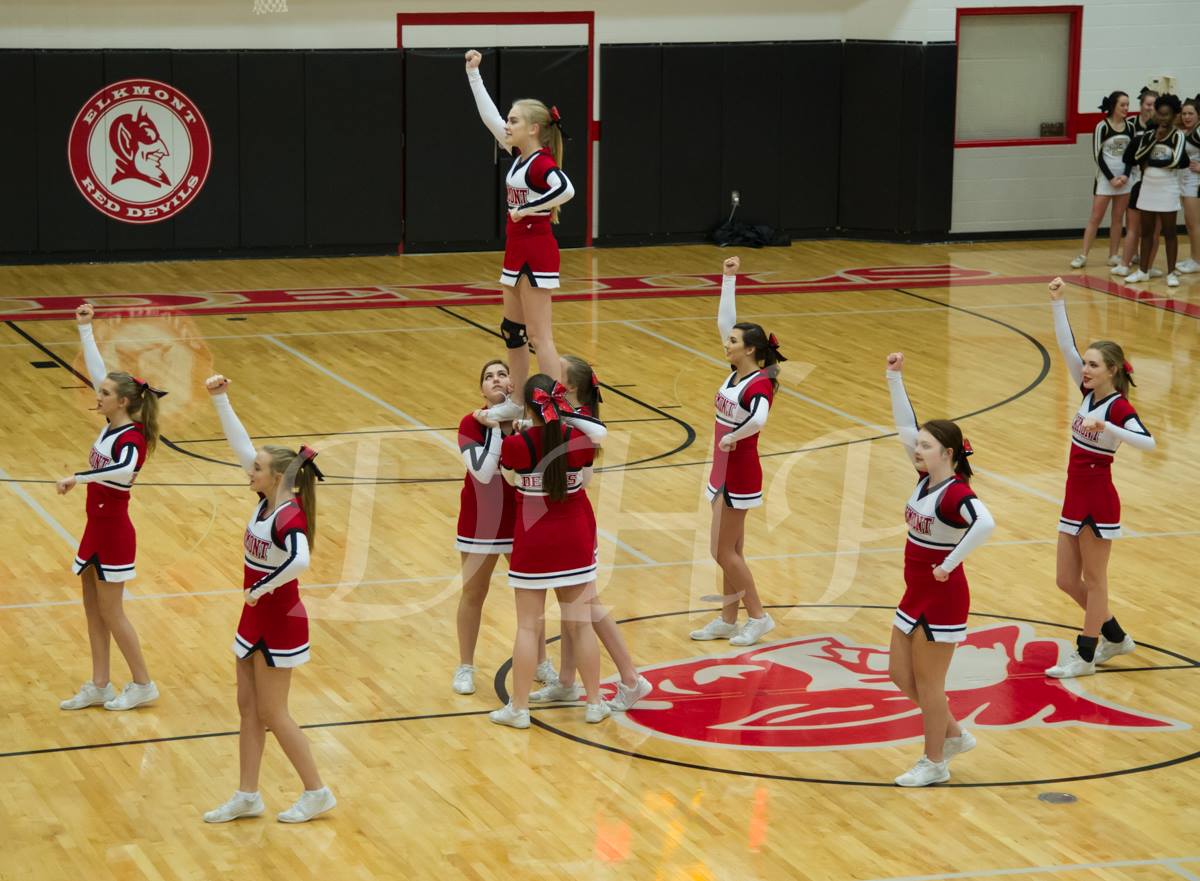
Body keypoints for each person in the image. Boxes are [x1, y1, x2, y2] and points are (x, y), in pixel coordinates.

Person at [201, 374, 335, 824]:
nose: (248, 470)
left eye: (256, 468)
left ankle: (317, 791)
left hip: (280, 619)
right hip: (254, 616)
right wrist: (221, 400)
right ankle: (247, 794)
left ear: (276, 477)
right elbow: (241, 445)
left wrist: (260, 588)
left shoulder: (288, 515)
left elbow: (300, 561)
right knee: (247, 708)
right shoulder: (265, 498)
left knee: (274, 712)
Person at [885, 352, 995, 787]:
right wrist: (894, 378)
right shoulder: (925, 479)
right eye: (917, 445)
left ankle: (935, 762)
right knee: (898, 674)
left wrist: (950, 563)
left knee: (931, 686)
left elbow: (986, 523)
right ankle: (951, 733)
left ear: (947, 453)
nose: (916, 448)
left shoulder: (954, 493)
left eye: (926, 446)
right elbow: (904, 428)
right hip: (915, 592)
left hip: (943, 597)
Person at [1045, 278, 1155, 679]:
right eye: (1086, 364)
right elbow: (1066, 348)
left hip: (1099, 500)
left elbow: (1149, 442)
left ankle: (1086, 654)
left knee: (1094, 580)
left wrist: (1109, 426)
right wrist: (1058, 302)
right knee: (1064, 579)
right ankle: (1115, 636)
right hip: (1074, 496)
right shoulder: (1089, 392)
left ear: (1111, 371)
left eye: (1093, 365)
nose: (1085, 369)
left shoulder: (1118, 407)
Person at [530, 356, 652, 711]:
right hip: (561, 519)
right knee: (572, 608)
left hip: (575, 518)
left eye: (557, 375)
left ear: (567, 387)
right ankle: (567, 681)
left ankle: (632, 678)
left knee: (588, 606)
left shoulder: (582, 420)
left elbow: (599, 433)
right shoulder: (564, 416)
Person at [57, 303, 162, 712]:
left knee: (113, 613)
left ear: (121, 403)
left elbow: (122, 471)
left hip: (116, 532)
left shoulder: (132, 439)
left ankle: (142, 683)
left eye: (103, 394)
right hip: (94, 528)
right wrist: (86, 328)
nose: (96, 395)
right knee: (92, 610)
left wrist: (77, 477)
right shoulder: (111, 425)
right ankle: (100, 683)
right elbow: (101, 371)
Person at [464, 49, 576, 421]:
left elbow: (566, 189)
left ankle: (554, 406)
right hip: (517, 249)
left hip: (537, 250)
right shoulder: (519, 154)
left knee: (540, 336)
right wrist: (473, 74)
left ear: (533, 128)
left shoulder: (542, 162)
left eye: (514, 121)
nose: (507, 125)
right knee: (512, 329)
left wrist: (527, 209)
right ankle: (517, 401)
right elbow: (489, 118)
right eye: (508, 120)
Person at [490, 376, 608, 729]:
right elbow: (584, 481)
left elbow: (511, 482)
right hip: (574, 537)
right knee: (581, 624)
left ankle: (519, 709)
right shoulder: (579, 440)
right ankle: (595, 702)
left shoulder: (516, 444)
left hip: (533, 539)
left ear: (528, 407)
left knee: (528, 627)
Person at [688, 257, 782, 647]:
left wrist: (733, 436)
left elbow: (759, 420)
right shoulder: (735, 372)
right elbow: (724, 321)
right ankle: (729, 617)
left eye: (733, 342)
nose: (726, 343)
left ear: (750, 350)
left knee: (721, 550)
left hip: (739, 472)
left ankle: (758, 617)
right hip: (721, 469)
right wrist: (728, 279)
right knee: (732, 550)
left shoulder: (758, 384)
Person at [453, 358, 556, 695]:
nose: (495, 379)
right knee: (473, 594)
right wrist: (497, 427)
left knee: (531, 599)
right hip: (479, 524)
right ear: (481, 388)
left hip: (518, 521)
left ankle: (541, 663)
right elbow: (482, 472)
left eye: (501, 374)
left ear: (513, 383)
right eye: (488, 377)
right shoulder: (471, 423)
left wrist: (511, 422)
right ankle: (465, 666)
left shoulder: (530, 423)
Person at [1122, 94, 1187, 286]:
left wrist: (1153, 161)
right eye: (1160, 114)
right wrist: (1154, 141)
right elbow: (1137, 156)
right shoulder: (1149, 135)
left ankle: (1172, 273)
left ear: (1175, 115)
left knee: (1169, 232)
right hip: (1148, 187)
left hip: (1168, 188)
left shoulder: (1178, 135)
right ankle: (1143, 271)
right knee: (1147, 232)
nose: (1163, 118)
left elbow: (1175, 161)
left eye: (1167, 115)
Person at [1070, 92, 1133, 269]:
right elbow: (1097, 155)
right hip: (1106, 180)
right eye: (1122, 105)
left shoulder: (1130, 127)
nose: (1126, 108)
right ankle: (1083, 254)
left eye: (1128, 105)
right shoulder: (1102, 127)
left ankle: (1113, 255)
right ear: (1113, 106)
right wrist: (1111, 178)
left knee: (1117, 218)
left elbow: (1131, 155)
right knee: (1095, 218)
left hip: (1124, 181)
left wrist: (1126, 175)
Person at [1112, 88, 1162, 277]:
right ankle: (1126, 262)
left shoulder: (1167, 132)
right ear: (1141, 105)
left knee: (1153, 229)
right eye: (1148, 104)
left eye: (1154, 106)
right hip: (1137, 181)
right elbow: (1128, 157)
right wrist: (1125, 174)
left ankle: (1146, 266)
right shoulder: (1134, 127)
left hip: (1158, 185)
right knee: (1133, 226)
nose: (1150, 109)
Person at [1176, 96, 1200, 274]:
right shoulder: (1186, 131)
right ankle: (1194, 257)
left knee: (1194, 224)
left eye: (1191, 113)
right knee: (1189, 224)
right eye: (1184, 113)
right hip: (1184, 182)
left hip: (1195, 183)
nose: (1187, 116)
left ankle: (1197, 261)